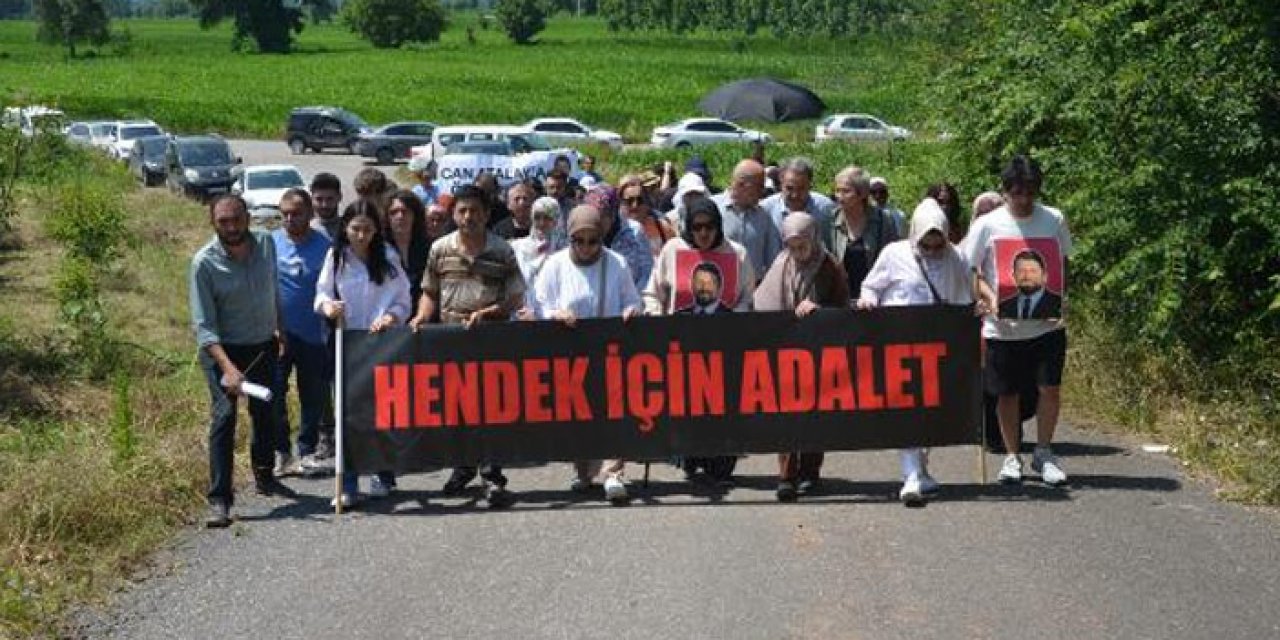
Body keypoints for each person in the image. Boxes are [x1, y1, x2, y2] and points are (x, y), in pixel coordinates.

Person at [857, 198, 981, 505]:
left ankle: (921, 469)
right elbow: (870, 286)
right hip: (900, 345)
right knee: (907, 410)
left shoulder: (958, 258)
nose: (933, 251)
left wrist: (975, 312)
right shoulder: (893, 254)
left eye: (939, 244)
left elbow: (967, 297)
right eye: (927, 245)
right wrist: (868, 300)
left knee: (931, 412)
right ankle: (910, 474)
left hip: (939, 349)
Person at [409, 185, 526, 507]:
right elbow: (430, 291)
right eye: (462, 210)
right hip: (450, 338)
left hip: (491, 340)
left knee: (491, 410)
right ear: (453, 214)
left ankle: (492, 476)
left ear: (487, 214)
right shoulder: (440, 249)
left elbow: (516, 296)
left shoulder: (502, 250)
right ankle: (463, 468)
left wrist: (489, 313)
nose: (468, 217)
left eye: (475, 210)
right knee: (457, 409)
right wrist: (421, 316)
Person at [961, 155, 1072, 487]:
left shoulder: (1053, 219)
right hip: (1003, 327)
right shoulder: (987, 224)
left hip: (1046, 324)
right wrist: (988, 297)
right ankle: (1012, 456)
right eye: (1017, 193)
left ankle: (1044, 451)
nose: (1024, 200)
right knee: (1006, 393)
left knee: (1048, 388)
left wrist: (1061, 296)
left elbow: (1063, 263)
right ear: (1005, 191)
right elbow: (971, 269)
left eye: (1030, 192)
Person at [190, 195, 294, 528]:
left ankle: (265, 476)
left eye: (236, 219)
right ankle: (220, 500)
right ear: (213, 223)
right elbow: (204, 328)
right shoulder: (203, 264)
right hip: (223, 352)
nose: (232, 228)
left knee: (265, 412)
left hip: (262, 345)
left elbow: (273, 289)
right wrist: (228, 368)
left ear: (247, 217)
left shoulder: (265, 243)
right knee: (224, 418)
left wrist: (281, 327)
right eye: (223, 222)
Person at [534, 205, 643, 504]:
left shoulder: (616, 263)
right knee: (580, 415)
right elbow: (539, 303)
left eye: (592, 240)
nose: (585, 247)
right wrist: (556, 314)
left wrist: (631, 311)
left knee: (612, 412)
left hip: (609, 353)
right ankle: (584, 472)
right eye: (578, 241)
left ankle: (613, 473)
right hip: (571, 353)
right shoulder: (555, 265)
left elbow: (632, 301)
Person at [643, 196, 754, 486]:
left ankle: (720, 464)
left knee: (722, 407)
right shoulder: (672, 250)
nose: (703, 233)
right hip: (681, 347)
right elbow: (653, 293)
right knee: (686, 405)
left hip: (723, 347)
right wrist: (657, 319)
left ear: (718, 226)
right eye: (697, 227)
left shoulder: (737, 253)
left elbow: (746, 297)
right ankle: (690, 460)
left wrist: (731, 318)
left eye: (709, 227)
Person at [315, 198, 412, 508]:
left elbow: (403, 299)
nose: (361, 236)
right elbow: (321, 295)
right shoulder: (336, 257)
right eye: (356, 229)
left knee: (381, 409)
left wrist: (392, 317)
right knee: (347, 411)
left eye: (367, 230)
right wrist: (329, 307)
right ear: (346, 228)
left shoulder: (389, 257)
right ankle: (349, 482)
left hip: (379, 342)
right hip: (345, 341)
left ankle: (383, 474)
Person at [753, 213, 850, 502]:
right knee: (785, 413)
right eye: (792, 246)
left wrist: (819, 307)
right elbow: (764, 302)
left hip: (820, 353)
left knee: (815, 413)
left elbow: (843, 305)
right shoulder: (781, 265)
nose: (798, 252)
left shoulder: (829, 265)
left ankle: (810, 471)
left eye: (802, 245)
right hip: (786, 352)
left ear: (813, 238)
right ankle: (786, 475)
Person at [271, 189, 333, 478]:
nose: (289, 219)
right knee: (275, 395)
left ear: (309, 213)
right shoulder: (269, 244)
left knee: (313, 396)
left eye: (296, 213)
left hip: (314, 334)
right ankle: (281, 452)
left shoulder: (326, 246)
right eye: (284, 213)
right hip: (278, 335)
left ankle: (306, 450)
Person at [827, 166, 901, 296]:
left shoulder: (884, 220)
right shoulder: (830, 221)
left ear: (863, 194)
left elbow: (894, 260)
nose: (839, 196)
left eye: (846, 191)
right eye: (837, 191)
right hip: (841, 298)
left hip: (876, 297)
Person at [715, 159, 781, 282]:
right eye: (759, 186)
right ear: (740, 184)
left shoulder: (764, 217)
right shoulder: (714, 209)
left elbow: (773, 260)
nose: (762, 192)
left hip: (753, 292)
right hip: (718, 288)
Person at [586, 184, 654, 291]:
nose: (596, 223)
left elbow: (647, 272)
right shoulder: (584, 236)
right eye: (592, 217)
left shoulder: (635, 231)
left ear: (613, 213)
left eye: (601, 216)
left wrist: (634, 299)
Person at [761, 157, 836, 246]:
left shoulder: (825, 209)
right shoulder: (765, 210)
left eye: (801, 188)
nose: (795, 195)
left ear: (810, 184)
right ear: (781, 183)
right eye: (789, 188)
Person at [510, 196, 564, 318]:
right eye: (537, 217)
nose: (541, 223)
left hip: (552, 318)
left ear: (556, 220)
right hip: (521, 316)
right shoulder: (518, 247)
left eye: (547, 218)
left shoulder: (564, 251)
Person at [383, 190, 431, 307]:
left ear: (415, 215)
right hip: (388, 316)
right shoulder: (379, 249)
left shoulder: (429, 247)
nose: (400, 216)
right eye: (393, 212)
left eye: (405, 211)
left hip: (424, 316)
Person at [619, 174, 676, 258]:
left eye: (640, 200)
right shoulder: (615, 232)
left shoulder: (663, 227)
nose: (635, 206)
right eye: (629, 201)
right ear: (621, 204)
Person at [310, 172, 343, 241]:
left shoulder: (351, 230)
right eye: (319, 199)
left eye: (330, 199)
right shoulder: (304, 232)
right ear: (311, 199)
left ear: (339, 197)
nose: (324, 205)